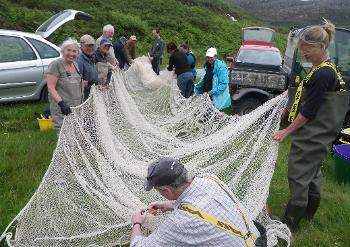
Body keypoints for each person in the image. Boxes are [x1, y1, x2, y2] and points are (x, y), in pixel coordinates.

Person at [272, 20, 350, 231]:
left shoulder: (323, 74)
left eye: (308, 49)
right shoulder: (325, 69)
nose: (304, 54)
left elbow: (309, 111)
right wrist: (288, 111)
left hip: (312, 134)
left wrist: (286, 131)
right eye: (302, 49)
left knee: (299, 174)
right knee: (313, 172)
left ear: (322, 47)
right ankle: (309, 214)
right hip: (322, 133)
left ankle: (290, 223)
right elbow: (308, 101)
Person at [130, 157, 266, 247]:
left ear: (166, 190)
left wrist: (136, 222)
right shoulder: (210, 179)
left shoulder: (179, 221)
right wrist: (170, 205)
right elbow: (204, 205)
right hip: (258, 239)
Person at [47, 38, 83, 132]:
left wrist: (90, 83)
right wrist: (61, 104)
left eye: (74, 51)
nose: (71, 53)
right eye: (68, 50)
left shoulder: (75, 64)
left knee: (75, 133)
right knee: (64, 135)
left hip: (75, 108)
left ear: (78, 53)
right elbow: (51, 87)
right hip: (62, 109)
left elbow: (75, 83)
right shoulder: (56, 65)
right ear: (63, 50)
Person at [76, 34, 98, 100]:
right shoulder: (79, 60)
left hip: (92, 92)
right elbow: (77, 82)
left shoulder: (91, 57)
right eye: (87, 46)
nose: (90, 48)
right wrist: (90, 83)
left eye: (92, 45)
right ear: (81, 46)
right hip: (84, 96)